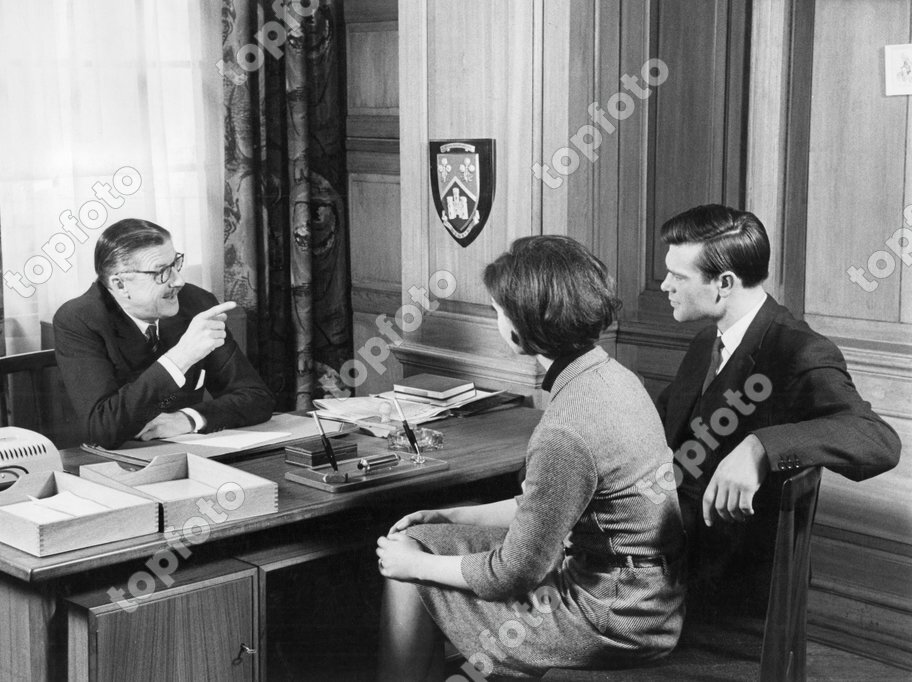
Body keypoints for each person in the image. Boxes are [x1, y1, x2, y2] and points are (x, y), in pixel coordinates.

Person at [376, 236, 686, 680]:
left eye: (498, 309)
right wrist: (451, 513)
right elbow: (550, 510)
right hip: (647, 600)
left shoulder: (564, 429)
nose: (496, 317)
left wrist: (415, 566)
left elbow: (513, 574)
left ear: (522, 326)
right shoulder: (616, 378)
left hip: (612, 619)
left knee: (408, 565)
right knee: (423, 538)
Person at [655, 204, 901, 619]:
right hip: (671, 561)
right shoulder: (704, 344)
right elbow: (662, 435)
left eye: (678, 276)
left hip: (728, 598)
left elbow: (877, 440)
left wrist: (761, 447)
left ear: (724, 284)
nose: (664, 286)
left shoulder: (798, 349)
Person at [53, 218, 274, 448]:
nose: (179, 280)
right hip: (114, 463)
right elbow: (103, 428)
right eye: (162, 272)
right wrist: (181, 357)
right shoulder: (78, 320)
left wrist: (189, 419)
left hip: (191, 454)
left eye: (176, 263)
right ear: (120, 285)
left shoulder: (196, 302)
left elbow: (257, 397)